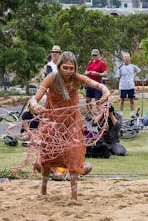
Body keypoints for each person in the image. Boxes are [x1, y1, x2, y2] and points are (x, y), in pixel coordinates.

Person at [27, 51, 108, 200]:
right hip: (52, 121)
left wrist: (105, 91)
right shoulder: (51, 78)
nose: (69, 71)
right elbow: (36, 97)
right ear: (59, 67)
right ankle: (43, 189)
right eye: (66, 68)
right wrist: (34, 104)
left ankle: (74, 196)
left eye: (72, 68)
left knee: (74, 153)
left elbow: (97, 85)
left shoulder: (77, 79)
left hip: (72, 122)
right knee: (48, 154)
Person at [115, 52, 140, 116]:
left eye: (128, 57)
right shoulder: (120, 67)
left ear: (129, 58)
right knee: (122, 101)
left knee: (132, 100)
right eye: (125, 57)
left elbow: (138, 70)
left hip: (131, 86)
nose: (126, 59)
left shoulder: (132, 66)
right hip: (123, 87)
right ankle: (121, 114)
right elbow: (117, 77)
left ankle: (132, 114)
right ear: (123, 58)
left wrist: (134, 76)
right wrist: (121, 79)